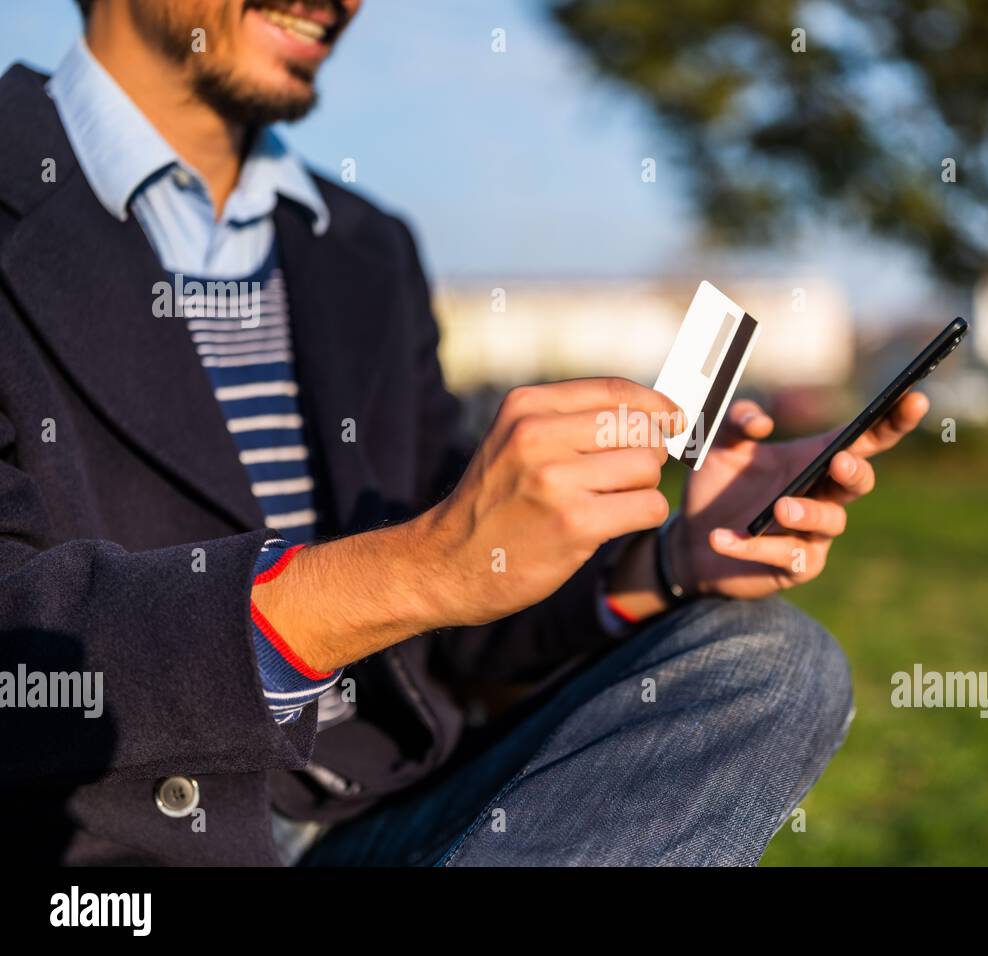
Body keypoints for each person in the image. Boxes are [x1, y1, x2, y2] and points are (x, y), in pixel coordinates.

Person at [0, 0, 929, 865]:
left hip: (384, 818)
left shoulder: (364, 247)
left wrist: (670, 557)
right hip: (111, 855)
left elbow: (454, 630)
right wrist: (421, 564)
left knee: (775, 664)